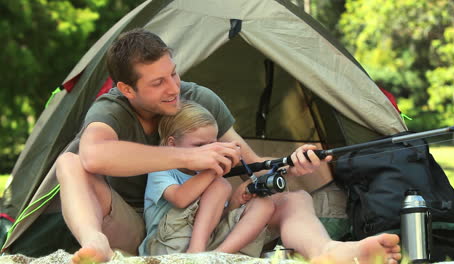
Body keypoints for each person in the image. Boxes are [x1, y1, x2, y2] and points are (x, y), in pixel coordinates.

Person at [55, 28, 401, 264]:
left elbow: (252, 166)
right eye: (158, 82)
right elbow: (93, 155)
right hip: (133, 227)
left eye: (173, 73)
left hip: (198, 225)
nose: (174, 88)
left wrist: (290, 164)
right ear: (127, 89)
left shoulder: (198, 99)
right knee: (69, 164)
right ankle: (95, 244)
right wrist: (189, 156)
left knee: (293, 198)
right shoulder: (112, 109)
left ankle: (329, 251)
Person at [139, 100, 275, 257]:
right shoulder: (161, 166)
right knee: (220, 185)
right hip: (168, 243)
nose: (209, 152)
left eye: (213, 145)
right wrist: (214, 171)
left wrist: (235, 202)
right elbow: (180, 198)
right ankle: (196, 253)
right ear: (172, 143)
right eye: (199, 145)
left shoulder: (204, 172)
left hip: (207, 243)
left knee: (264, 204)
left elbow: (211, 221)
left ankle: (217, 256)